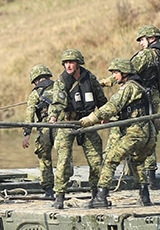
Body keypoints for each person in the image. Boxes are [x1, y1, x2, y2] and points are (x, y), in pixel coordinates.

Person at [79, 58, 157, 207]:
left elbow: (113, 106)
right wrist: (110, 118)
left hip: (135, 133)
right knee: (137, 162)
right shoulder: (140, 87)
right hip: (149, 134)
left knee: (109, 159)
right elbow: (131, 110)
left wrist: (91, 118)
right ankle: (145, 196)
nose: (114, 76)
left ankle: (101, 197)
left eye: (116, 73)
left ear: (125, 73)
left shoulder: (128, 88)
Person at [48, 49, 107, 209]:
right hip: (67, 122)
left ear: (78, 63)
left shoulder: (90, 78)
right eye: (66, 63)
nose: (68, 65)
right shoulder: (61, 81)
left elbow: (101, 99)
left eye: (71, 62)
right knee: (63, 160)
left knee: (96, 160)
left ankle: (97, 195)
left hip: (87, 122)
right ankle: (59, 197)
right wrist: (53, 116)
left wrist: (104, 115)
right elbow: (57, 103)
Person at [129, 25, 160, 187]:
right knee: (150, 133)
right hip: (154, 96)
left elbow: (128, 70)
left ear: (151, 38)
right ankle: (148, 174)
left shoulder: (147, 55)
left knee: (141, 133)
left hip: (143, 98)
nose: (140, 43)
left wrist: (108, 81)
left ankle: (146, 174)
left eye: (142, 39)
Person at [21, 64, 56, 199]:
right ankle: (61, 189)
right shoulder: (60, 86)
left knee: (44, 158)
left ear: (35, 80)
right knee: (65, 156)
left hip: (45, 128)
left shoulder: (35, 93)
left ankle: (49, 191)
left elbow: (29, 115)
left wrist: (26, 134)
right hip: (63, 126)